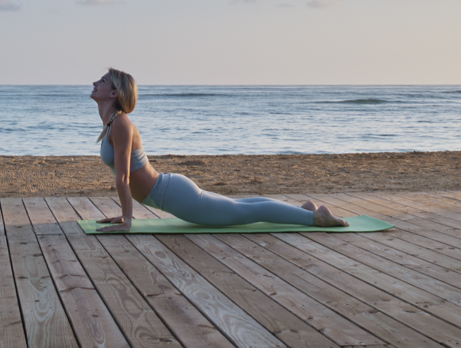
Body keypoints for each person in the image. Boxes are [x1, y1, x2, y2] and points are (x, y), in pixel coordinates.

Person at [91, 68, 348, 233]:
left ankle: (317, 219)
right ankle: (303, 211)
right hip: (171, 190)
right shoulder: (114, 123)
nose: (95, 82)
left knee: (245, 212)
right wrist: (124, 216)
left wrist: (127, 220)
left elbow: (123, 177)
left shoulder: (122, 124)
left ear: (114, 92)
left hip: (174, 196)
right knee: (241, 205)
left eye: (101, 81)